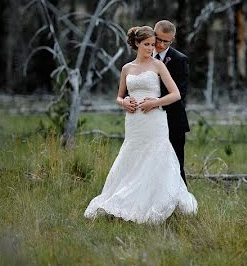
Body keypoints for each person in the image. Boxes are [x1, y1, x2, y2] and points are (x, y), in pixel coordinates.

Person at [84, 26, 197, 224]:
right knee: (132, 156)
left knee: (156, 156)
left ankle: (157, 202)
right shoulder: (127, 68)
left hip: (154, 119)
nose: (151, 48)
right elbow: (119, 96)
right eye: (147, 44)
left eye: (153, 45)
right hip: (134, 122)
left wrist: (154, 102)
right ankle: (127, 200)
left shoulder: (158, 66)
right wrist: (124, 102)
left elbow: (176, 94)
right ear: (137, 44)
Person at [151, 20, 190, 184]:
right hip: (148, 119)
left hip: (173, 118)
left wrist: (155, 102)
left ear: (172, 40)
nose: (160, 44)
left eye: (165, 41)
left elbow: (180, 92)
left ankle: (182, 202)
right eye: (157, 39)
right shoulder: (143, 55)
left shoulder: (179, 59)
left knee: (175, 162)